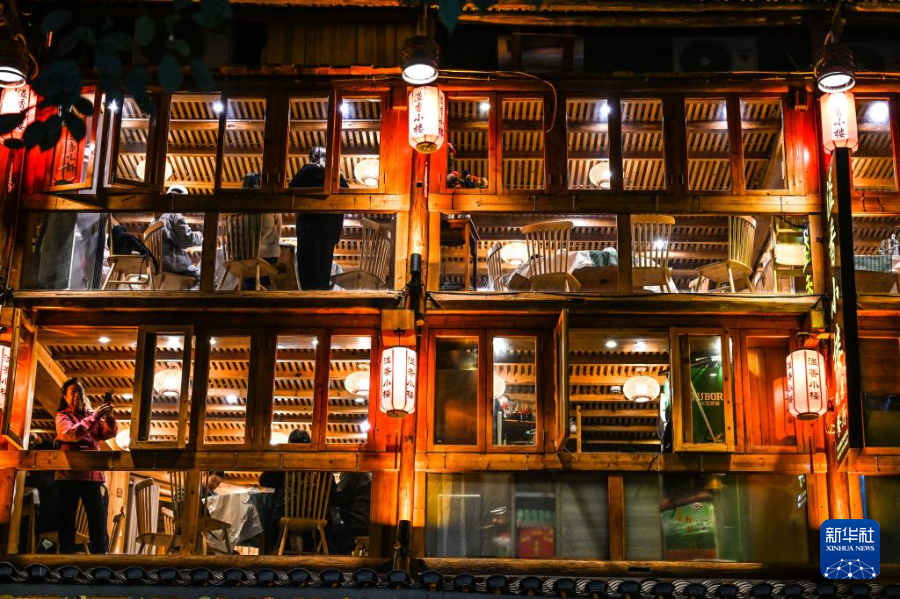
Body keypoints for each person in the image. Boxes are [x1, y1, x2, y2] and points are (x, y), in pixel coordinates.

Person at [54, 378, 117, 554]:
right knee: (66, 519)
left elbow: (108, 433)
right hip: (68, 475)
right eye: (73, 392)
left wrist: (109, 418)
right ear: (65, 397)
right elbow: (71, 434)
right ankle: (66, 556)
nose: (77, 395)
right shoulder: (62, 416)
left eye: (80, 392)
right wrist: (94, 417)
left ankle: (100, 556)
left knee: (97, 519)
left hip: (92, 475)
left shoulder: (90, 415)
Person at [289, 147, 348, 290]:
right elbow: (346, 193)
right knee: (324, 267)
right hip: (330, 227)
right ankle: (322, 295)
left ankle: (310, 298)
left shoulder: (309, 170)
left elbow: (292, 187)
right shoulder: (336, 175)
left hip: (308, 226)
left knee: (308, 268)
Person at [258, 429, 310, 553]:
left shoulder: (285, 462)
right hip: (314, 517)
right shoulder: (320, 464)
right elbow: (332, 491)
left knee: (266, 513)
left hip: (284, 513)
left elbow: (263, 481)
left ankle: (271, 553)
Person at [240, 172, 282, 290]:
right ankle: (262, 288)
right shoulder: (272, 206)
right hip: (267, 256)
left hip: (242, 257)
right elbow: (278, 231)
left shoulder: (238, 206)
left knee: (247, 275)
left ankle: (248, 288)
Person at [152, 185, 203, 284]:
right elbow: (186, 240)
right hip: (173, 265)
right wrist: (199, 235)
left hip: (160, 265)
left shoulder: (155, 220)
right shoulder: (173, 214)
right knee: (206, 279)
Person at [327, 471, 371, 554]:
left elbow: (341, 498)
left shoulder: (354, 473)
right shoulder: (362, 474)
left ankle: (339, 561)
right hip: (364, 525)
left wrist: (322, 498)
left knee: (326, 534)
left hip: (357, 527)